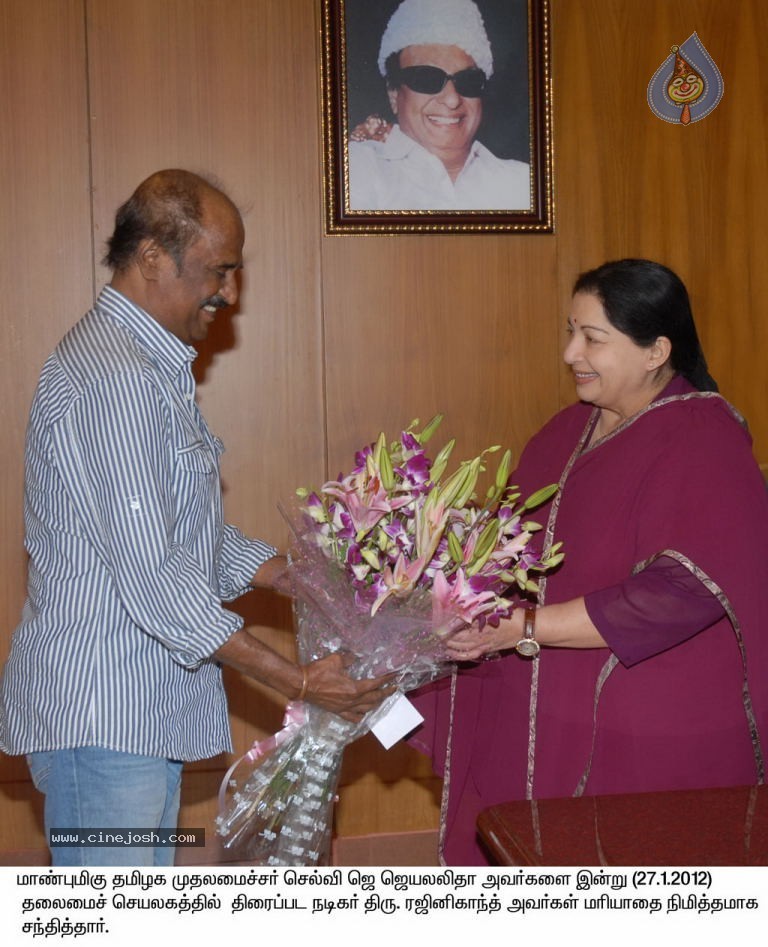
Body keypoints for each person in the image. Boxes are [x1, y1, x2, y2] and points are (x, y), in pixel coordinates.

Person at [0, 169, 392, 866]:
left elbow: (182, 538)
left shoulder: (150, 369)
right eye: (220, 270)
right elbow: (156, 578)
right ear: (153, 257)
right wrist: (298, 680)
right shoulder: (115, 376)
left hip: (135, 717)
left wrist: (305, 577)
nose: (229, 293)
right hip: (105, 718)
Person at [410, 258, 768, 865]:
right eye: (570, 331)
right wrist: (433, 589)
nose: (572, 351)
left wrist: (521, 628)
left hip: (649, 725)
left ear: (656, 351)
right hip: (542, 706)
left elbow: (680, 591)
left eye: (593, 338)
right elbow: (507, 547)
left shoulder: (705, 436)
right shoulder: (564, 431)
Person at [348, 0, 531, 211]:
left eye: (468, 81)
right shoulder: (357, 170)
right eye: (427, 79)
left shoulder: (522, 184)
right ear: (393, 92)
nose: (452, 100)